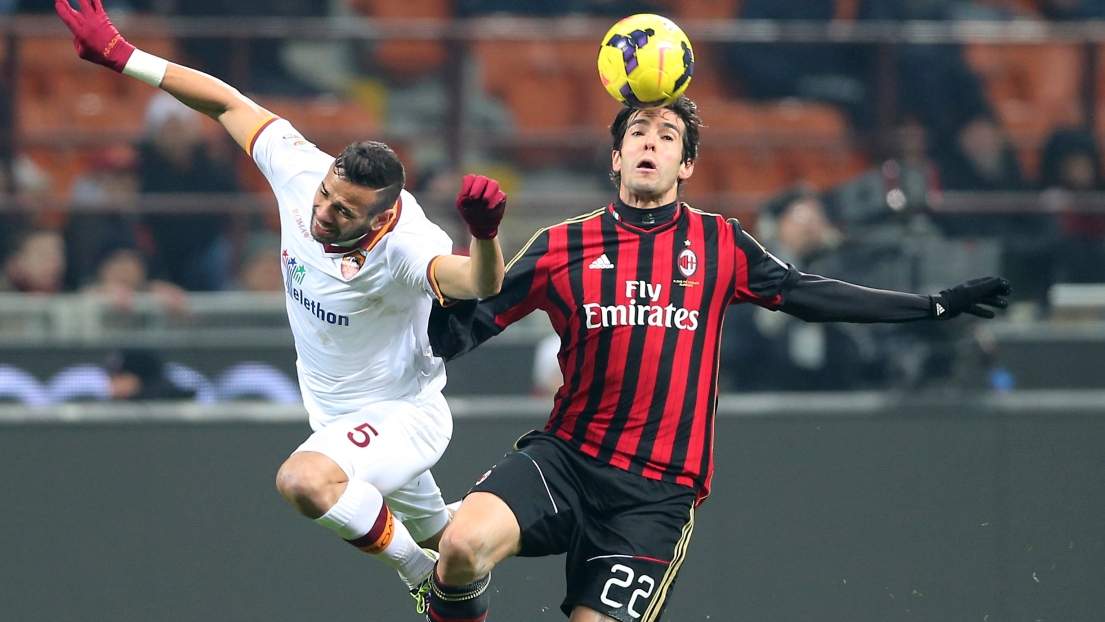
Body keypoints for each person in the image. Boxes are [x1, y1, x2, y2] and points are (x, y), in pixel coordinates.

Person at [424, 96, 1011, 622]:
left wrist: (932, 306)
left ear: (686, 166)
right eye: (637, 133)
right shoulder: (561, 245)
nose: (650, 141)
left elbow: (808, 294)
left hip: (654, 496)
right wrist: (459, 249)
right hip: (566, 460)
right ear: (616, 158)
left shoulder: (719, 243)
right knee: (459, 547)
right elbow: (456, 333)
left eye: (667, 134)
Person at [55, 0, 509, 614]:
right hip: (342, 421)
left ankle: (419, 577)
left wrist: (484, 235)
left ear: (380, 218)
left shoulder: (407, 246)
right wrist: (123, 55)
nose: (323, 213)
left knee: (306, 481)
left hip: (403, 416)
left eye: (345, 212)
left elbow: (478, 283)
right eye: (327, 196)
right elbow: (227, 103)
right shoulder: (302, 173)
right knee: (462, 549)